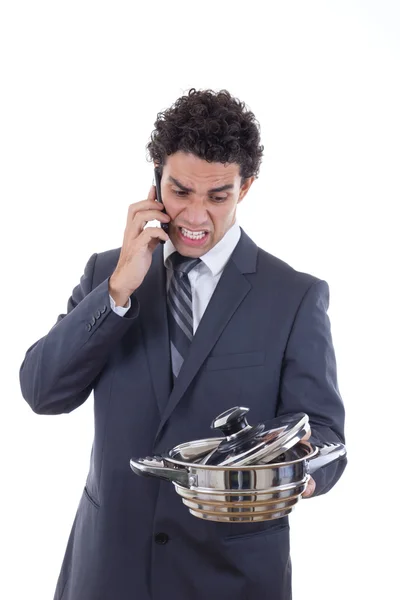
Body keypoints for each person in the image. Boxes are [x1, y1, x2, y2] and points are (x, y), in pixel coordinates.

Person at [19, 88, 346, 600]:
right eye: (179, 191)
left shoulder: (294, 295)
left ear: (247, 187)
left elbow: (325, 432)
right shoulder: (107, 273)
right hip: (109, 572)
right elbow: (42, 392)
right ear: (156, 176)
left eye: (218, 197)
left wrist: (287, 471)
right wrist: (117, 292)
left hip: (231, 576)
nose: (194, 217)